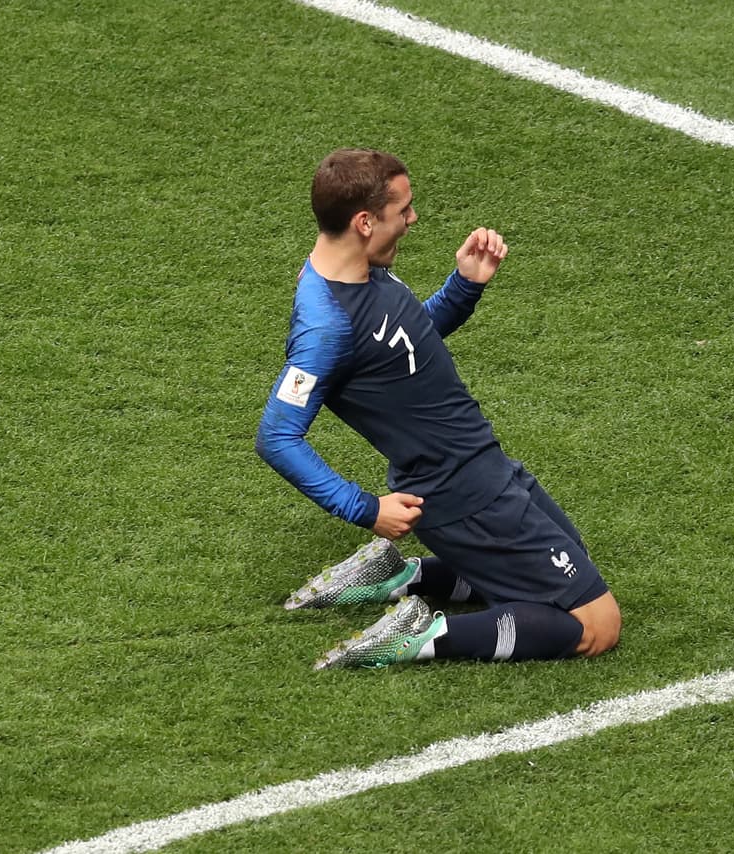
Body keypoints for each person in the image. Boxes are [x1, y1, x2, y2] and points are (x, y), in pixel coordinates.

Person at [255, 148, 620, 669]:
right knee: (595, 626)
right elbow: (277, 436)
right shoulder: (324, 327)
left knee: (575, 560)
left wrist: (464, 286)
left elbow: (402, 346)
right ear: (364, 222)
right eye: (402, 210)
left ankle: (402, 576)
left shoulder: (361, 272)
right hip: (463, 495)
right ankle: (419, 633)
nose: (412, 219)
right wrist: (366, 508)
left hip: (481, 469)